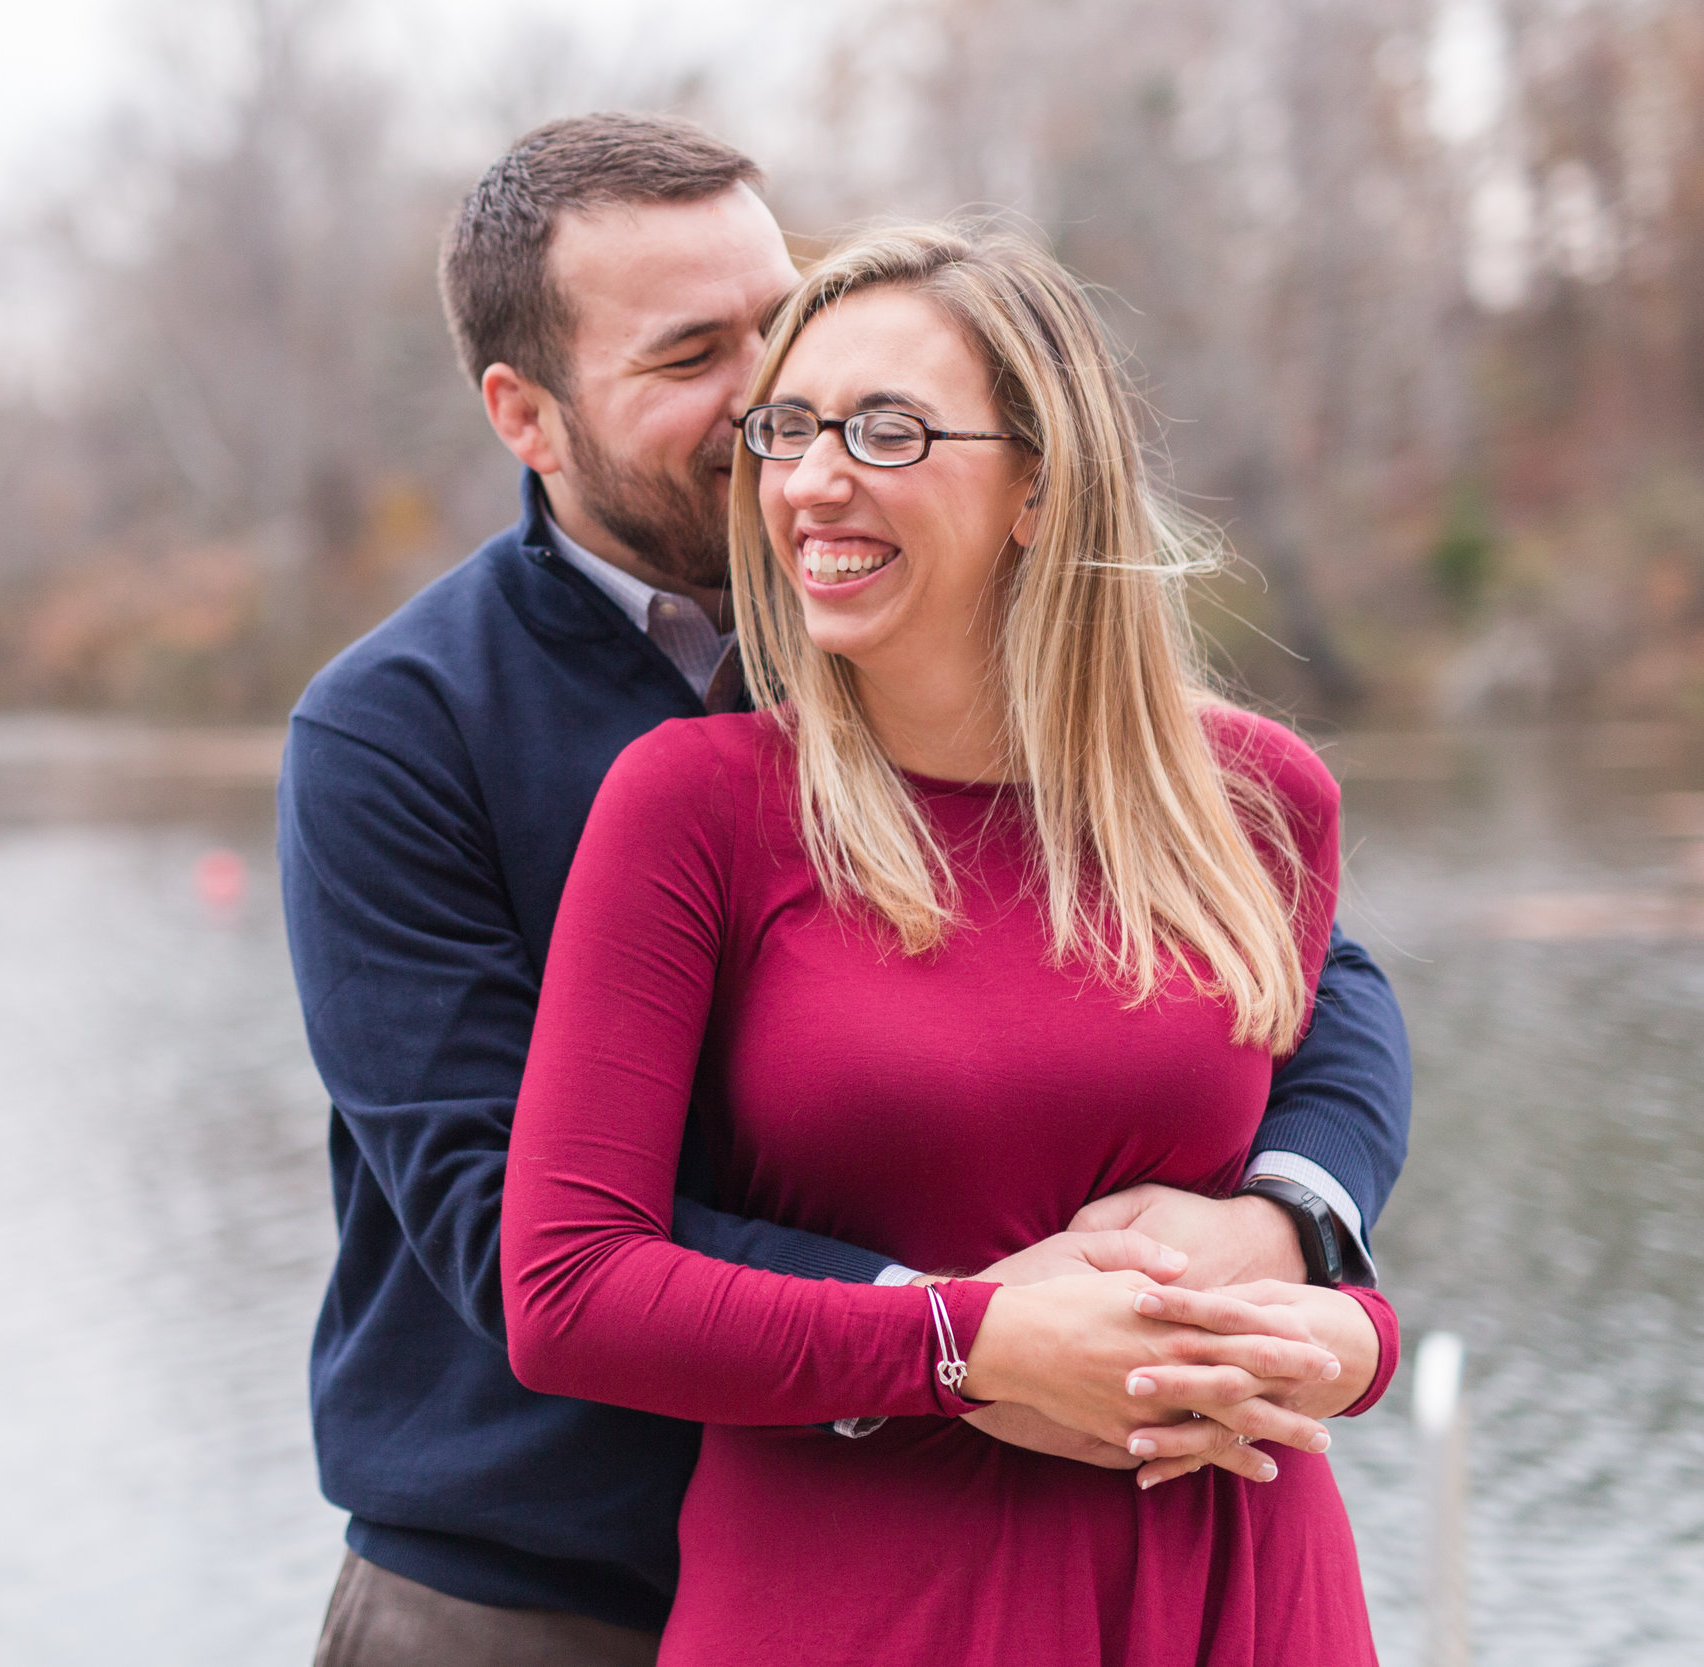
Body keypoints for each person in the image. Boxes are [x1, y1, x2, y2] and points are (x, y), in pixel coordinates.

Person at [279, 115, 1411, 1667]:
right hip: (547, 1580)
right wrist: (969, 1331)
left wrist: (1291, 1231)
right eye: (699, 358)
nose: (769, 405)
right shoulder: (404, 731)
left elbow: (1310, 989)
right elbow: (506, 1237)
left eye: (779, 317)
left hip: (1053, 1525)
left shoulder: (922, 628)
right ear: (527, 416)